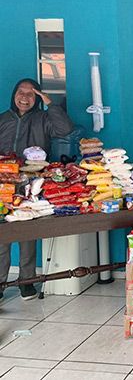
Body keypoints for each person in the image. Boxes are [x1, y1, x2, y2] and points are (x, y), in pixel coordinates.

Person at [0, 78, 74, 301]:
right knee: (2, 234)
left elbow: (65, 129)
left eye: (31, 94)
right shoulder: (3, 119)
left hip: (31, 183)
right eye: (20, 92)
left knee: (27, 233)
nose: (24, 97)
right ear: (14, 95)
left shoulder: (44, 118)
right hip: (4, 183)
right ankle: (0, 284)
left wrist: (50, 103)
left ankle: (27, 282)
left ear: (37, 98)